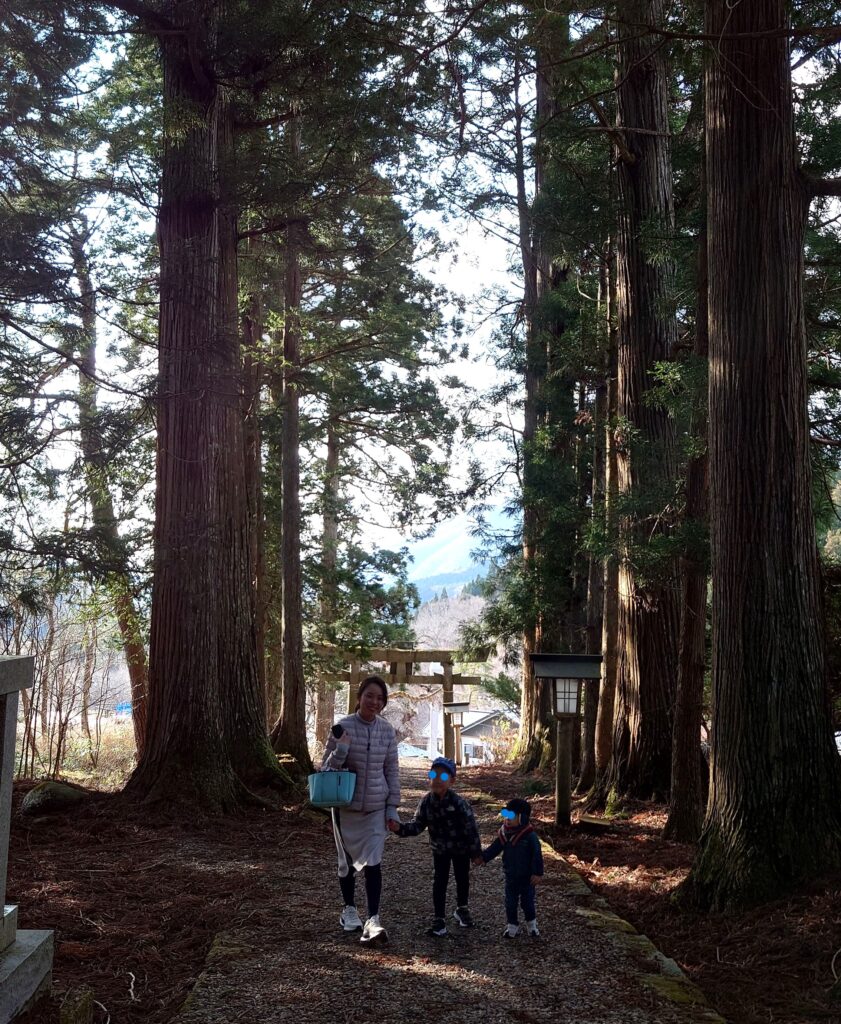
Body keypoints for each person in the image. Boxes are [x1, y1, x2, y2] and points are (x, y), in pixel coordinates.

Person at [321, 675, 399, 945]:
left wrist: (393, 809)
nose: (374, 702)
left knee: (374, 863)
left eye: (380, 698)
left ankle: (373, 919)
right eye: (370, 696)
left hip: (376, 807)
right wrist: (342, 750)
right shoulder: (343, 726)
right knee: (347, 864)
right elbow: (326, 770)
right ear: (359, 697)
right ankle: (349, 909)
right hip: (346, 807)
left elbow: (392, 771)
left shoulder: (388, 731)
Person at [387, 756, 481, 936]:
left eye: (443, 777)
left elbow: (471, 829)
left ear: (452, 781)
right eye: (433, 775)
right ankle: (439, 918)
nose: (437, 780)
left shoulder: (459, 803)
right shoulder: (426, 802)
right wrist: (399, 828)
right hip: (440, 850)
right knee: (440, 881)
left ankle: (462, 907)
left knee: (462, 878)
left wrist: (476, 853)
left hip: (461, 848)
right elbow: (417, 825)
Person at [478, 797, 544, 938]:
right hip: (511, 876)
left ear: (522, 818)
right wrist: (484, 858)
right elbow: (495, 848)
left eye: (511, 816)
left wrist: (537, 873)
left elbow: (537, 855)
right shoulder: (504, 834)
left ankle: (531, 925)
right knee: (510, 903)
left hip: (527, 878)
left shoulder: (530, 836)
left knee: (528, 903)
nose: (507, 819)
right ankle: (512, 926)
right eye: (505, 815)